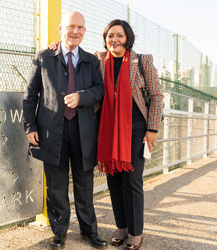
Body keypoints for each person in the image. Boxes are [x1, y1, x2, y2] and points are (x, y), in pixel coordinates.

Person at [23, 11, 107, 250]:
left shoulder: (92, 61)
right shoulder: (44, 57)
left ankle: (89, 230)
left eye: (80, 27)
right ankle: (59, 232)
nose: (75, 31)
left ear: (84, 31)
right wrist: (30, 126)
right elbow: (30, 96)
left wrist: (82, 96)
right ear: (61, 28)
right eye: (71, 27)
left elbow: (99, 91)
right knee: (56, 186)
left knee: (85, 184)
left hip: (83, 132)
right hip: (52, 132)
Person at [95, 19, 163, 250]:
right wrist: (58, 44)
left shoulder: (142, 61)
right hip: (107, 130)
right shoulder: (99, 60)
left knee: (132, 181)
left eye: (119, 36)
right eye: (110, 36)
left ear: (128, 38)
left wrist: (152, 129)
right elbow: (72, 51)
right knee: (113, 180)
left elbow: (156, 96)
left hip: (135, 130)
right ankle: (122, 226)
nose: (114, 40)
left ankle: (136, 232)